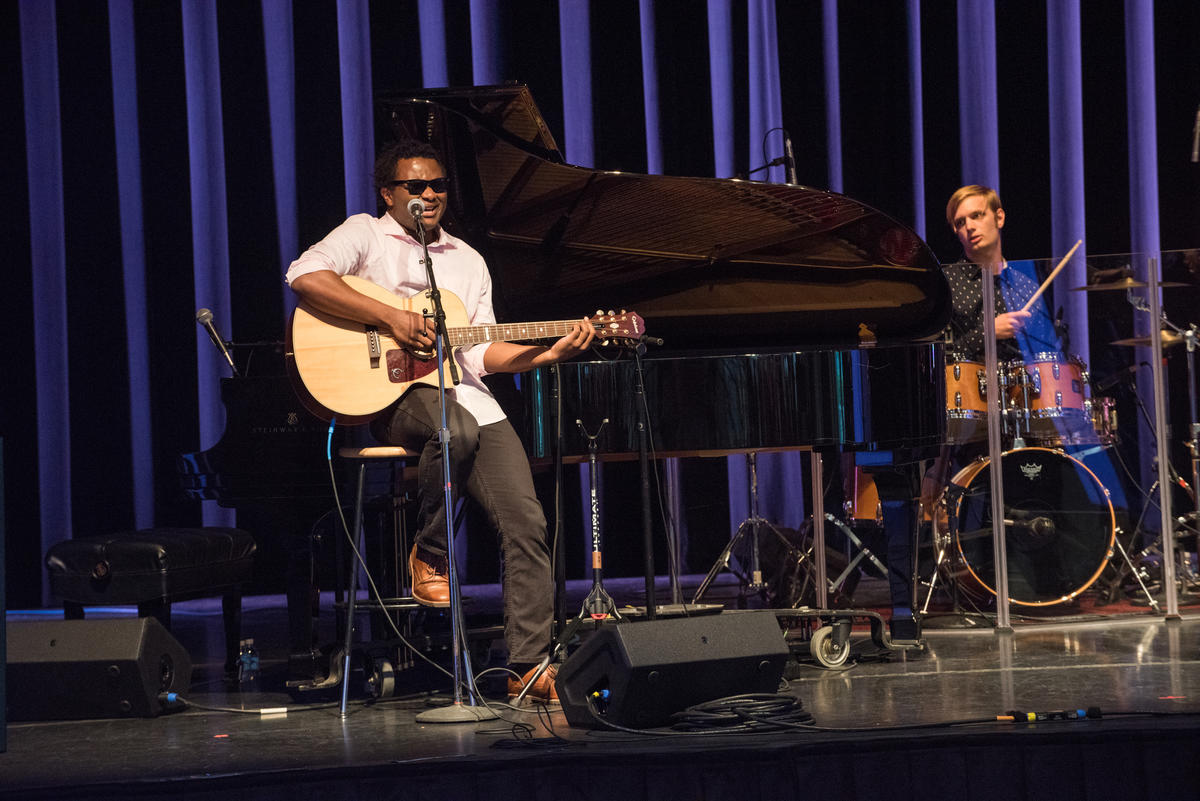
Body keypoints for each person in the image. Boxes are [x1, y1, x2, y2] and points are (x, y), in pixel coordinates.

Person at [285, 138, 596, 704]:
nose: (428, 195)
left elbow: (482, 352)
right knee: (454, 429)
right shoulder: (366, 234)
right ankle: (431, 550)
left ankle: (526, 666)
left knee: (527, 522)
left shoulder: (466, 260)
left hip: (466, 395)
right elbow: (305, 275)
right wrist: (392, 317)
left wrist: (546, 354)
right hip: (393, 396)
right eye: (415, 186)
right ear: (389, 193)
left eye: (438, 186)